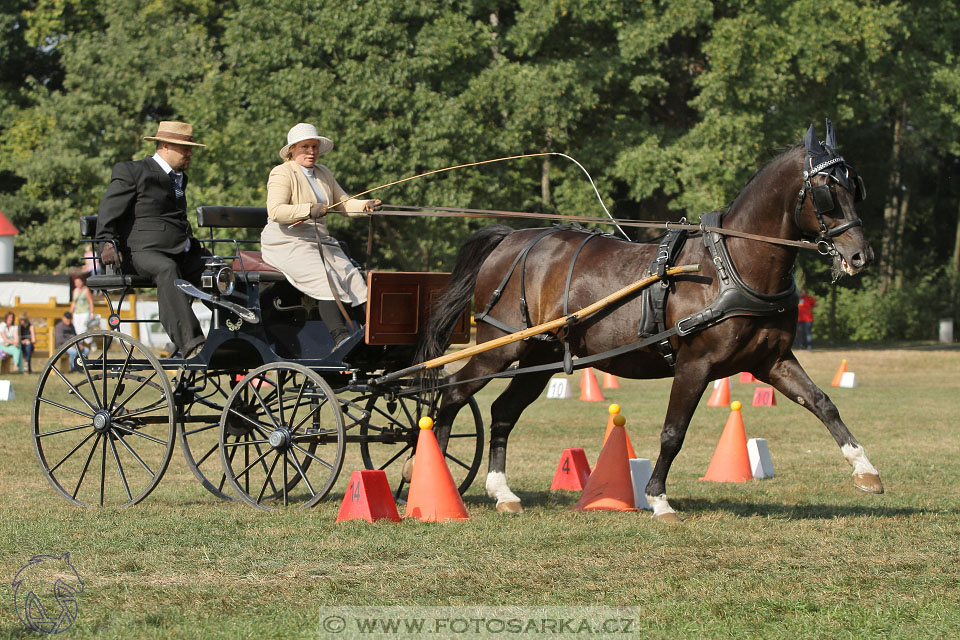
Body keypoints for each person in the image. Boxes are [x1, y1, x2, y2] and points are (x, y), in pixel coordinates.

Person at [261, 123, 381, 349]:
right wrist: (308, 209)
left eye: (314, 146)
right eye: (305, 147)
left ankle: (373, 334)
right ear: (292, 150)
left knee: (354, 279)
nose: (311, 152)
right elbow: (275, 211)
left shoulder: (324, 173)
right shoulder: (282, 173)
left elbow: (343, 204)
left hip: (320, 240)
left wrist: (365, 205)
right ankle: (341, 338)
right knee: (326, 279)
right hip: (287, 241)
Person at [95, 120, 208, 359]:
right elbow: (108, 211)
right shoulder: (133, 171)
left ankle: (242, 335)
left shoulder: (179, 177)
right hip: (140, 252)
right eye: (185, 148)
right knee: (166, 269)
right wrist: (106, 243)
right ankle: (193, 345)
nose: (190, 153)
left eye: (190, 148)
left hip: (181, 251)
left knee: (220, 272)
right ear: (165, 146)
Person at [69, 270, 94, 339]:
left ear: (82, 282)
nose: (78, 284)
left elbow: (90, 301)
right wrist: (70, 312)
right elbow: (74, 302)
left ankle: (88, 341)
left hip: (84, 311)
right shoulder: (75, 291)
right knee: (76, 327)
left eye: (79, 282)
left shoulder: (86, 290)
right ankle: (81, 342)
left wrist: (92, 312)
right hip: (77, 312)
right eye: (76, 282)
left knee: (83, 328)